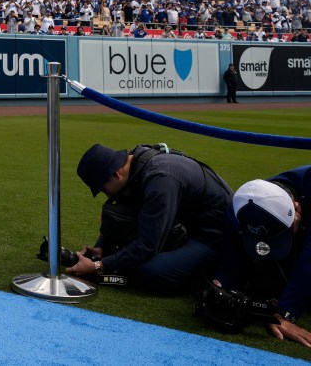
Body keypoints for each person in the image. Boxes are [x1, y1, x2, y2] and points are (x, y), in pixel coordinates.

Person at [67, 143, 233, 293]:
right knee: (125, 256)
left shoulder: (159, 180)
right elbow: (126, 213)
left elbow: (147, 245)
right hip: (189, 225)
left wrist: (98, 266)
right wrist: (102, 248)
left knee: (148, 272)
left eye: (104, 188)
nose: (107, 194)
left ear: (117, 175)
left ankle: (215, 271)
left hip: (215, 236)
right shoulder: (135, 162)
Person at [212, 171, 310, 347]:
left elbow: (308, 259)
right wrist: (219, 287)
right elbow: (231, 261)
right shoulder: (239, 210)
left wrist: (284, 313)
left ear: (297, 208)